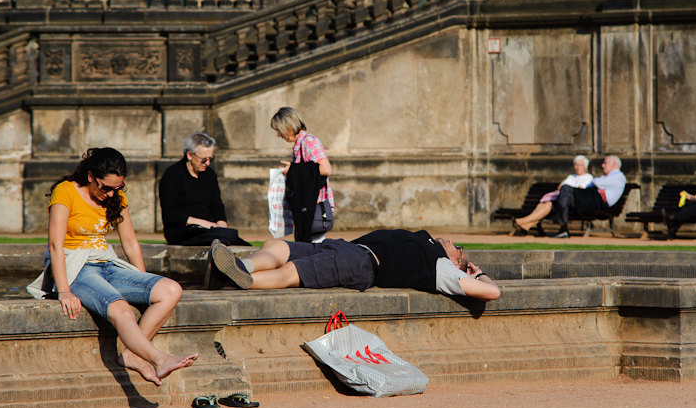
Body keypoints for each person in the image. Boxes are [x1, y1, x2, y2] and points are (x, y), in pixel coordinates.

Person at [27, 147, 198, 385]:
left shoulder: (116, 196)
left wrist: (142, 280)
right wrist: (64, 290)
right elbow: (55, 245)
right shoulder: (65, 191)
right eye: (104, 187)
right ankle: (158, 359)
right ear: (90, 177)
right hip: (77, 267)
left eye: (117, 188)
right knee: (122, 310)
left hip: (108, 264)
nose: (110, 193)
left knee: (171, 289)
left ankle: (131, 355)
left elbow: (130, 243)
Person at [206, 229, 500, 301]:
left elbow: (493, 293)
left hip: (361, 262)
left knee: (294, 273)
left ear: (457, 261)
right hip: (345, 246)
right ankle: (241, 266)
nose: (452, 241)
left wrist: (480, 274)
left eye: (458, 248)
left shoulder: (442, 267)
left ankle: (236, 278)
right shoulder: (428, 244)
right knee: (277, 246)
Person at [158, 132, 249, 247]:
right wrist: (205, 224)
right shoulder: (172, 175)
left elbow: (216, 205)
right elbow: (170, 213)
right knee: (225, 237)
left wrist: (221, 225)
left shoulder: (209, 175)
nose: (208, 163)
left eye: (211, 159)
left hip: (208, 231)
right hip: (182, 231)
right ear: (190, 155)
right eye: (203, 160)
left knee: (235, 239)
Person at [271, 107, 335, 242]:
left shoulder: (309, 141)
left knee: (313, 249)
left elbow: (326, 168)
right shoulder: (298, 145)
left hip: (315, 206)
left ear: (288, 127)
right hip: (306, 205)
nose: (279, 135)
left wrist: (293, 170)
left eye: (279, 131)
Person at [512, 154, 594, 236]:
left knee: (548, 205)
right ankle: (526, 225)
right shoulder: (571, 177)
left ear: (585, 166)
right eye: (576, 165)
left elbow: (579, 191)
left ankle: (522, 221)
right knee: (543, 205)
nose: (577, 167)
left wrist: (566, 189)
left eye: (580, 165)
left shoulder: (588, 178)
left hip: (572, 204)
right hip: (560, 200)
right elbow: (560, 187)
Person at [551, 154, 627, 238]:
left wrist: (599, 183)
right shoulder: (608, 176)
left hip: (598, 203)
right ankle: (563, 228)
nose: (602, 165)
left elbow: (596, 181)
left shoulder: (618, 176)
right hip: (592, 199)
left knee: (566, 189)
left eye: (605, 163)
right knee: (566, 193)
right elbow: (599, 182)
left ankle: (561, 224)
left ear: (614, 164)